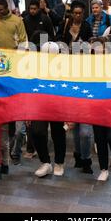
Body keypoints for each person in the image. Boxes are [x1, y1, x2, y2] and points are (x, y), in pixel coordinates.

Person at [0, 0, 28, 179]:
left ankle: (14, 151)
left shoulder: (17, 21)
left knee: (14, 124)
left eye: (2, 10)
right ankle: (3, 162)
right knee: (1, 124)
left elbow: (24, 42)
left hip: (13, 66)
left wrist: (18, 61)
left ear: (9, 8)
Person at [31, 41, 68, 178]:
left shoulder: (64, 67)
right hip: (39, 104)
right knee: (37, 131)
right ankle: (45, 162)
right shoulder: (35, 67)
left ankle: (59, 162)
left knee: (58, 132)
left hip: (57, 104)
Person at [89, 35, 111, 181]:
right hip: (96, 107)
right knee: (100, 139)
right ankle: (103, 169)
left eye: (100, 48)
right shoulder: (88, 66)